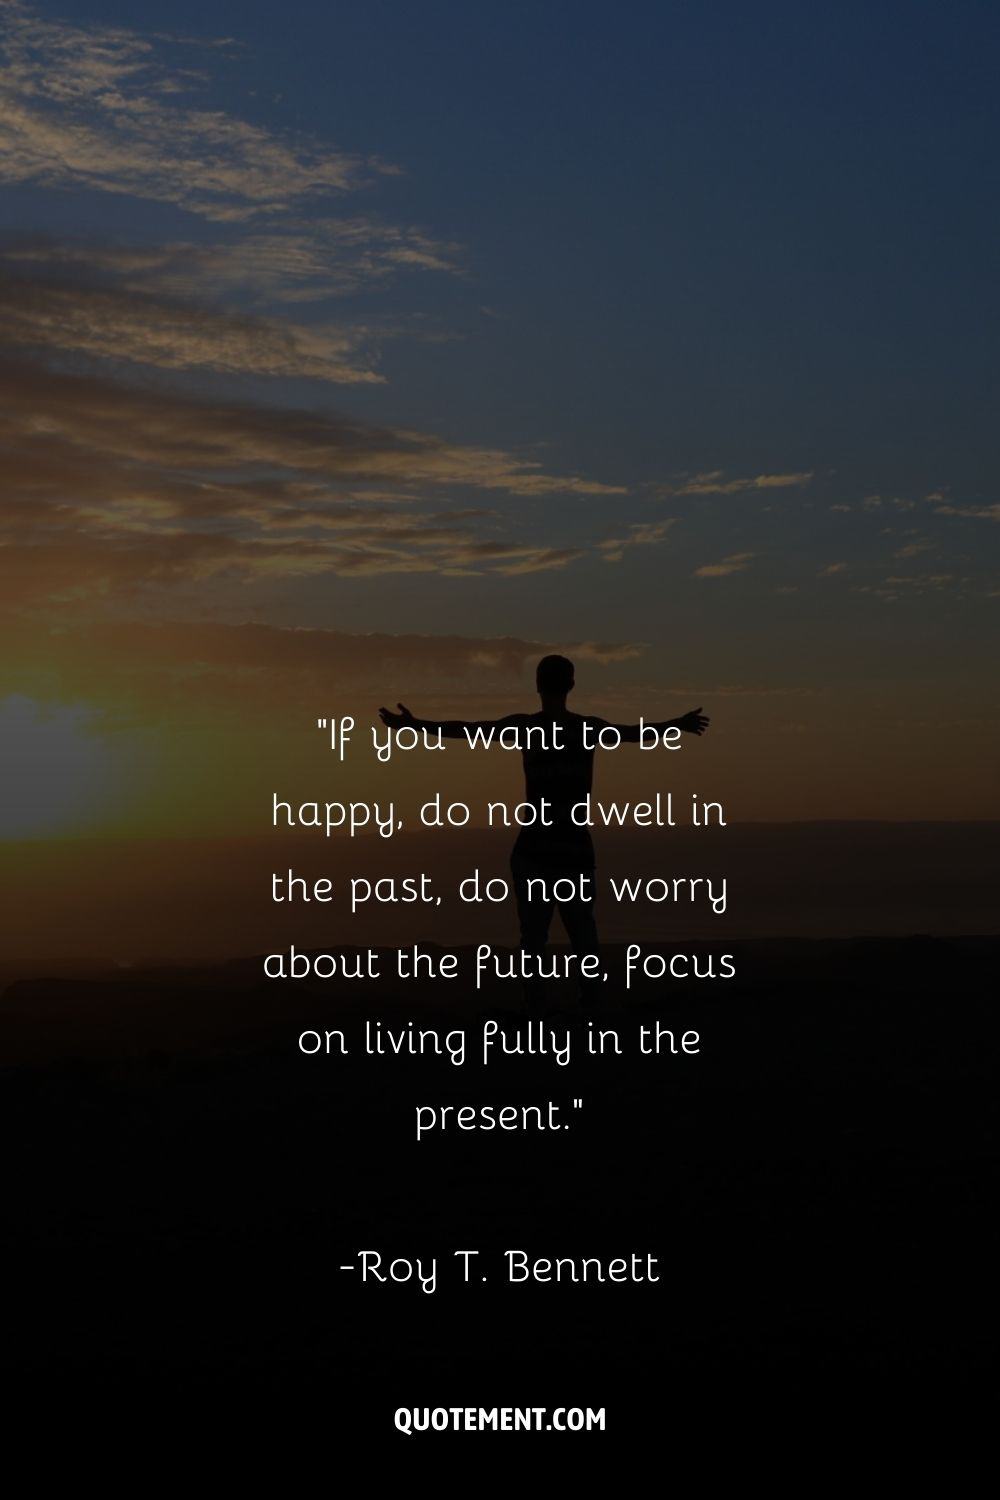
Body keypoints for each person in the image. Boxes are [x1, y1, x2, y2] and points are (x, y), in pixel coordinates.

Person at [379, 655, 709, 1008]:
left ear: (537, 686)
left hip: (534, 852)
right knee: (583, 937)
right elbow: (636, 734)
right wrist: (679, 724)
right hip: (573, 851)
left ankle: (537, 1013)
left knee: (534, 940)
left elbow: (468, 728)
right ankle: (588, 1011)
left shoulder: (527, 727)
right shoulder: (587, 728)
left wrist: (414, 726)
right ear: (571, 685)